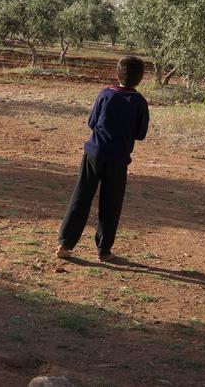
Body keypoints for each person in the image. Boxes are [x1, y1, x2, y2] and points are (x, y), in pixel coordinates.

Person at [57, 56, 150, 262]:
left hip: (94, 154)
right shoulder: (139, 102)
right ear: (141, 78)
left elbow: (92, 122)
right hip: (118, 159)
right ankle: (104, 251)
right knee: (111, 204)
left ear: (118, 74)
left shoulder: (105, 94)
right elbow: (140, 134)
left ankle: (65, 244)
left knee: (81, 197)